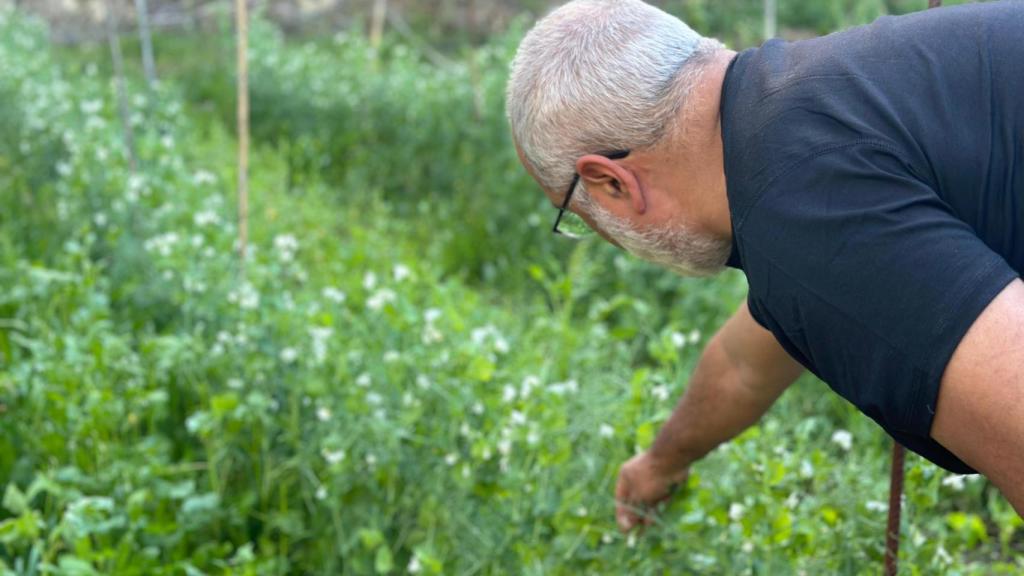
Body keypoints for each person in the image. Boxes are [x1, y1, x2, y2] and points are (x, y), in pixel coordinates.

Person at [505, 0, 1024, 531]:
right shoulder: (794, 105)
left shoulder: (799, 209)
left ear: (610, 182)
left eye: (575, 216)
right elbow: (744, 363)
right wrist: (662, 461)